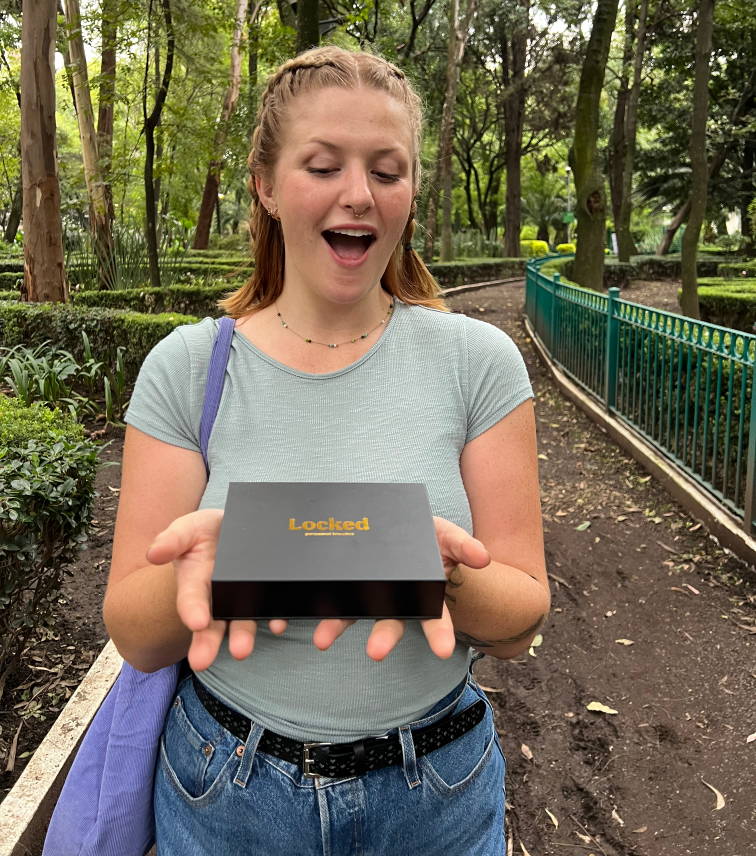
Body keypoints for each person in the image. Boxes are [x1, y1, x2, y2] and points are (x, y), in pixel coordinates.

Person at [103, 45, 549, 855]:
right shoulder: (188, 369)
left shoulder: (477, 363)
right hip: (226, 790)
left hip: (439, 794)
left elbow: (519, 620)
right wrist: (210, 568)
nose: (359, 194)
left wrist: (435, 571)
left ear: (411, 191)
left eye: (387, 170)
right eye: (322, 165)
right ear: (266, 186)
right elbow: (135, 633)